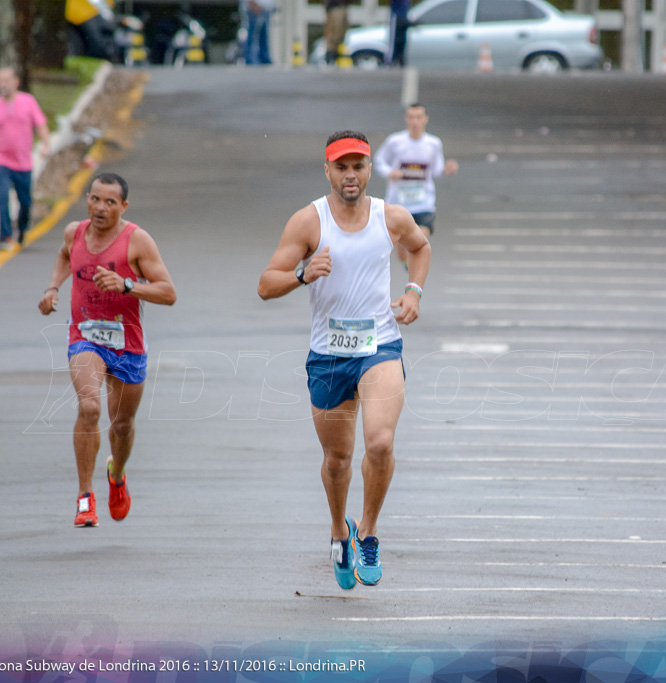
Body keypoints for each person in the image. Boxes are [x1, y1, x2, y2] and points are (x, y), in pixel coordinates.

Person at [257, 131, 431, 589]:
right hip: (329, 355)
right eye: (341, 167)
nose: (350, 175)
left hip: (379, 347)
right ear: (328, 170)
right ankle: (340, 532)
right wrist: (302, 273)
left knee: (379, 443)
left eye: (358, 166)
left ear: (370, 169)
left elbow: (419, 247)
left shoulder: (390, 217)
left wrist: (414, 290)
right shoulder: (308, 222)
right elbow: (266, 284)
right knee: (338, 458)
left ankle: (369, 532)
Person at [38, 173, 177, 527]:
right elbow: (64, 255)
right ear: (87, 199)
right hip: (85, 334)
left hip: (127, 343)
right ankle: (85, 498)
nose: (101, 208)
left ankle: (117, 474)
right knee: (89, 407)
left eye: (110, 202)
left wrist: (127, 284)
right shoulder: (75, 233)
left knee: (122, 425)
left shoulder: (138, 241)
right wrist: (53, 288)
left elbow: (168, 292)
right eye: (95, 199)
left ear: (123, 206)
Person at [374, 103, 458, 267]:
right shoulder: (395, 141)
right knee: (402, 251)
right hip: (399, 201)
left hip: (423, 202)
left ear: (425, 119)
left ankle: (414, 266)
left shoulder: (434, 143)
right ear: (406, 119)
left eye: (419, 117)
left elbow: (435, 171)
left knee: (421, 237)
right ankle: (407, 262)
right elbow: (379, 160)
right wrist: (390, 172)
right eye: (411, 117)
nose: (415, 121)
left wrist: (446, 170)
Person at [0, 66, 51, 250]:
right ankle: (5, 235)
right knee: (2, 196)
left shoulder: (28, 102)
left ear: (16, 82)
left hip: (23, 162)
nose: (2, 85)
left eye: (6, 80)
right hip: (0, 159)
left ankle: (22, 229)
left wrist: (46, 144)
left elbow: (41, 125)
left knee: (26, 201)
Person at [241, 0, 275, 65]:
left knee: (263, 37)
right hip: (255, 8)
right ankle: (250, 59)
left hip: (265, 9)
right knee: (253, 36)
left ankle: (264, 59)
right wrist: (252, 3)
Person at [386, 0, 411, 67]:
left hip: (404, 16)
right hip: (396, 16)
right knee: (394, 40)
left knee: (402, 40)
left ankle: (401, 59)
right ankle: (390, 61)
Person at [323, 0, 349, 65]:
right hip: (335, 7)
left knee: (340, 34)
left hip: (339, 7)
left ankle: (334, 57)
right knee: (335, 35)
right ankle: (331, 58)